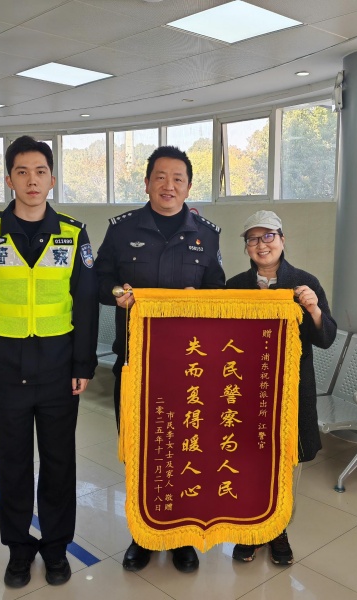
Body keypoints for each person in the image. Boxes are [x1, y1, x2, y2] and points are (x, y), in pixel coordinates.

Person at [0, 136, 98, 588]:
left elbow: (85, 304)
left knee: (59, 464)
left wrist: (83, 365)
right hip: (7, 369)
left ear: (52, 179)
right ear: (9, 180)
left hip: (60, 369)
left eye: (40, 172)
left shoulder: (73, 234)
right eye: (22, 172)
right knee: (13, 464)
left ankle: (56, 549)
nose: (32, 180)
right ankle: (19, 550)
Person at [95, 145, 226, 573]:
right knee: (140, 448)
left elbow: (219, 293)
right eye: (160, 177)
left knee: (187, 447)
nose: (169, 186)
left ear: (188, 187)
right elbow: (99, 281)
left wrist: (198, 299)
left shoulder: (207, 234)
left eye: (178, 179)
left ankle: (183, 536)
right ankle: (143, 534)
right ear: (147, 182)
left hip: (190, 367)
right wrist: (120, 294)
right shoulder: (121, 230)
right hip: (136, 361)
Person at [225, 210, 337, 566]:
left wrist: (314, 309)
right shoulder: (234, 287)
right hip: (246, 391)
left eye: (269, 236)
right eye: (253, 239)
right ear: (246, 248)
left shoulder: (304, 283)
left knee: (284, 463)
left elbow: (326, 338)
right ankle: (250, 529)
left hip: (290, 392)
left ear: (282, 240)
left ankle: (278, 531)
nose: (262, 245)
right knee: (247, 462)